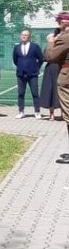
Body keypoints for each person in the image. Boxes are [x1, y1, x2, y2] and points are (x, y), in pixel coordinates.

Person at [45, 13, 69, 161]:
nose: (57, 23)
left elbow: (50, 57)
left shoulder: (65, 37)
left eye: (59, 21)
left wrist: (50, 42)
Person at [12, 28, 44, 119]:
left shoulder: (35, 46)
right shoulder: (17, 47)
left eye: (26, 35)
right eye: (22, 35)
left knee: (35, 93)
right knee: (21, 93)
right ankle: (21, 111)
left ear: (29, 37)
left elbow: (41, 59)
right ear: (20, 36)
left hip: (32, 74)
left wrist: (36, 68)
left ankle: (37, 112)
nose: (24, 36)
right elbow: (15, 60)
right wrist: (21, 66)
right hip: (21, 74)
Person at [42, 28, 62, 120]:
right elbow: (46, 57)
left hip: (62, 68)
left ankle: (64, 113)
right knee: (50, 91)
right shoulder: (50, 44)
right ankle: (51, 114)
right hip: (51, 69)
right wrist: (50, 43)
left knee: (63, 91)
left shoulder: (64, 44)